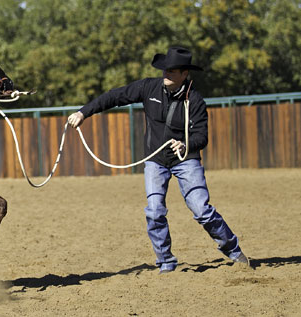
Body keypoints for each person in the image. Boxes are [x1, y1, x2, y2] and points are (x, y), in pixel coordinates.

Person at [68, 46, 250, 273]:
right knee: (154, 212)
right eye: (165, 69)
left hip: (186, 160)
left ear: (185, 74)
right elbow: (114, 96)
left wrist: (186, 144)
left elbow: (202, 137)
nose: (166, 74)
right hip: (155, 159)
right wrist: (83, 112)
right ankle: (165, 262)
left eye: (172, 71)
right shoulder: (148, 87)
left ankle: (233, 250)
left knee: (201, 210)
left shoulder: (194, 100)